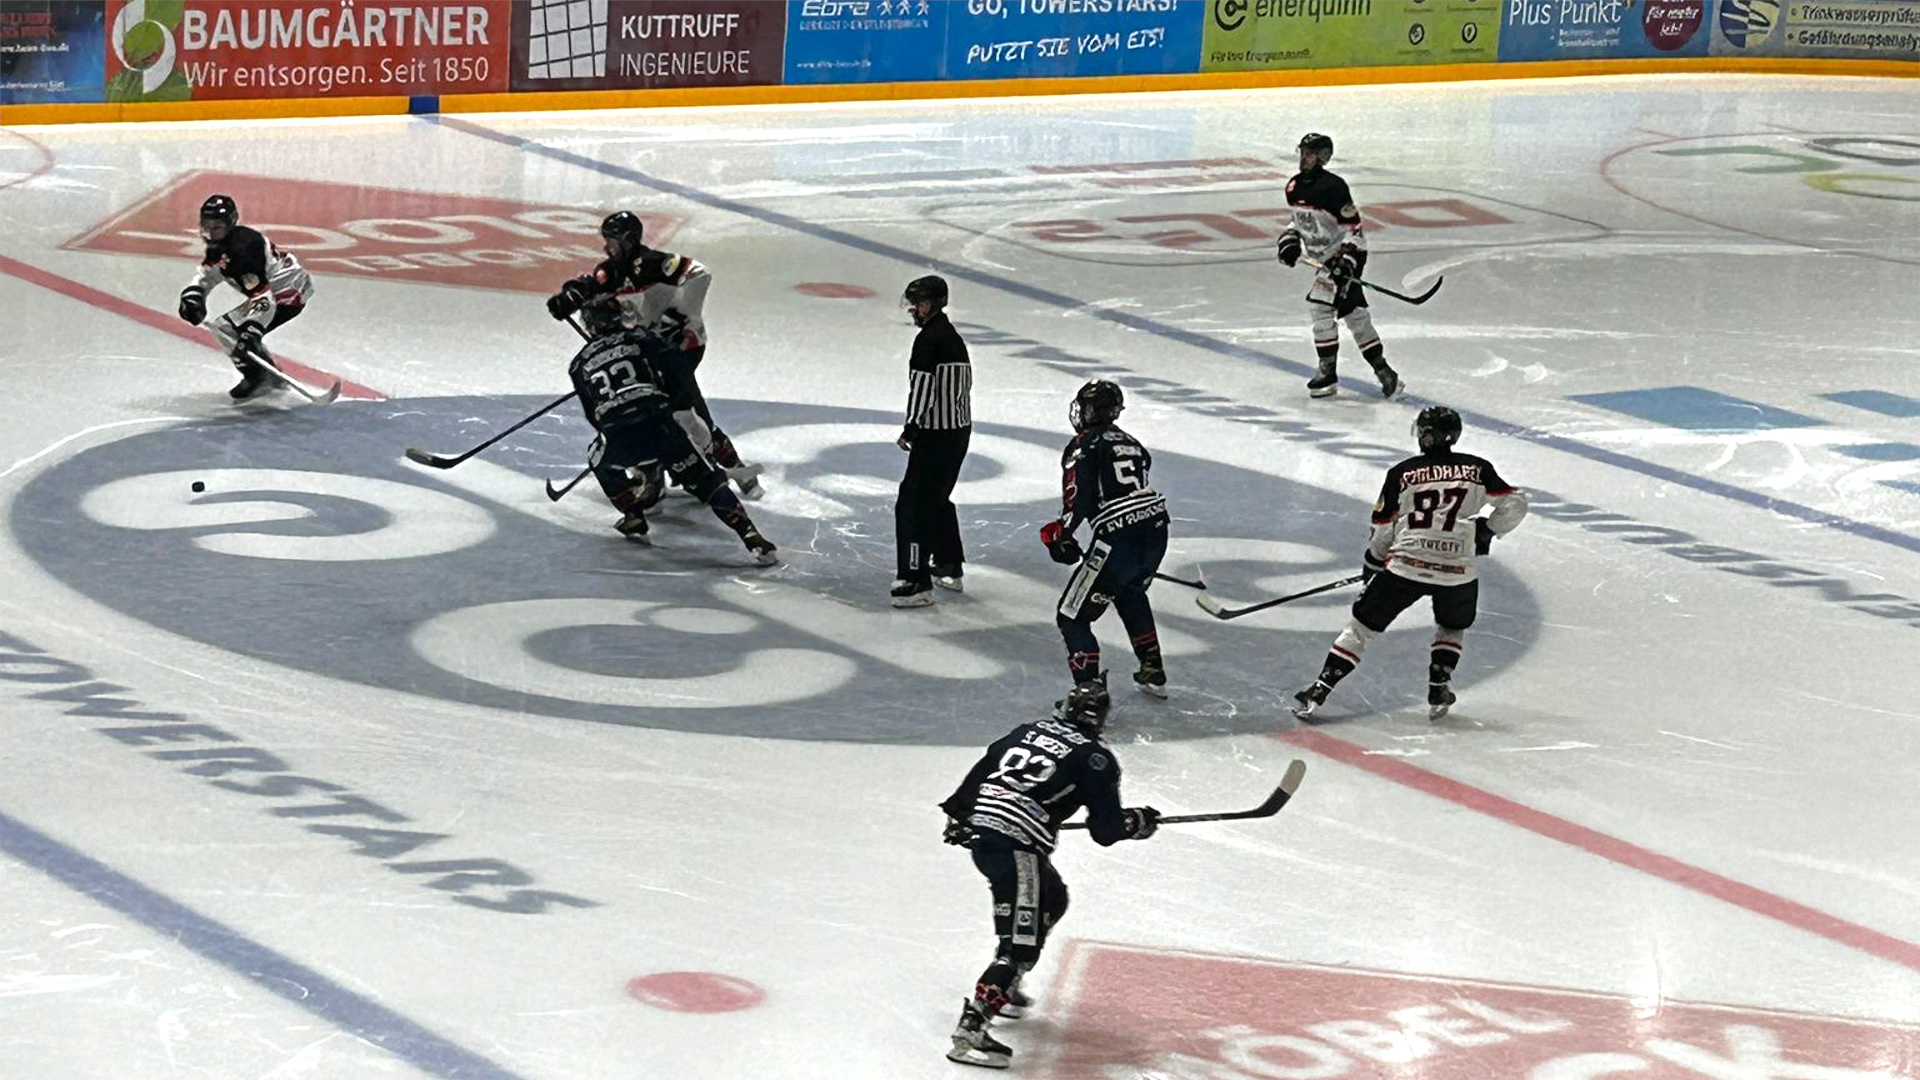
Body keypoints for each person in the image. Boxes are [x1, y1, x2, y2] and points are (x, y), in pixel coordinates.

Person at [938, 683, 1160, 1069]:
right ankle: (972, 1028)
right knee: (1019, 945)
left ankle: (1004, 984)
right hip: (1016, 847)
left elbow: (985, 768)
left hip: (986, 835)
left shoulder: (1028, 730)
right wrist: (1136, 822)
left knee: (1053, 896)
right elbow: (1105, 831)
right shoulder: (1095, 759)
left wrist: (959, 816)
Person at [1291, 406, 1526, 722]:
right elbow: (1515, 503)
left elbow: (1384, 528)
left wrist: (1373, 563)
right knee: (1452, 626)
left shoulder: (1402, 472)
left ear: (1428, 436)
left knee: (1361, 628)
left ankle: (1321, 687)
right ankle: (1439, 685)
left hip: (1406, 566)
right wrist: (1486, 530)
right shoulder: (1478, 468)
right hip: (1457, 570)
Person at [546, 211, 759, 497]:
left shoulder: (653, 263)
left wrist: (684, 313)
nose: (607, 247)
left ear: (628, 240)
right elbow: (590, 285)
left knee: (683, 410)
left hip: (682, 347)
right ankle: (656, 476)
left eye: (612, 241)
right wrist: (568, 296)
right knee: (655, 412)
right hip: (649, 352)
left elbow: (699, 273)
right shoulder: (611, 270)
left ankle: (729, 467)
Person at [566, 297, 777, 566]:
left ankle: (633, 515)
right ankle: (753, 537)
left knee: (598, 458)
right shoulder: (641, 338)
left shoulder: (577, 365)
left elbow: (593, 415)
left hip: (619, 437)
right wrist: (675, 403)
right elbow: (677, 368)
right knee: (707, 482)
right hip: (662, 425)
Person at [1041, 380, 1170, 701]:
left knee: (1071, 615)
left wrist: (1062, 534)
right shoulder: (1134, 443)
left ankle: (1089, 689)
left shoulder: (1084, 444)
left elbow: (1079, 494)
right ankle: (1152, 665)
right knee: (1130, 589)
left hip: (1118, 537)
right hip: (1156, 528)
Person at [1273, 133, 1403, 401]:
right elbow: (1297, 222)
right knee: (1355, 316)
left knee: (1320, 307)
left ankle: (1327, 374)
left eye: (1310, 153)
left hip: (1346, 257)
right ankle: (1386, 374)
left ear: (1322, 158)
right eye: (1302, 152)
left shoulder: (1334, 187)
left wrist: (1346, 260)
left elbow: (1353, 229)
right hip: (1324, 261)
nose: (1303, 158)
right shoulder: (1293, 187)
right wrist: (1289, 241)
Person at [177, 194, 315, 400]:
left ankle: (260, 377)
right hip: (278, 290)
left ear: (230, 223)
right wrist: (194, 294)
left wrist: (253, 330)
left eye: (217, 226)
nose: (211, 231)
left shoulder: (243, 253)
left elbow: (263, 298)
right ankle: (263, 374)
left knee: (228, 329)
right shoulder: (222, 244)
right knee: (230, 330)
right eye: (207, 225)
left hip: (287, 293)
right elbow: (209, 274)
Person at [892, 274, 973, 608]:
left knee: (912, 504)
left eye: (918, 303)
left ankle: (915, 579)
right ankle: (949, 564)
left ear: (932, 304)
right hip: (958, 432)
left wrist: (911, 428)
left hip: (936, 435)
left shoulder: (928, 340)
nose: (913, 309)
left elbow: (922, 389)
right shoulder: (952, 337)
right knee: (937, 497)